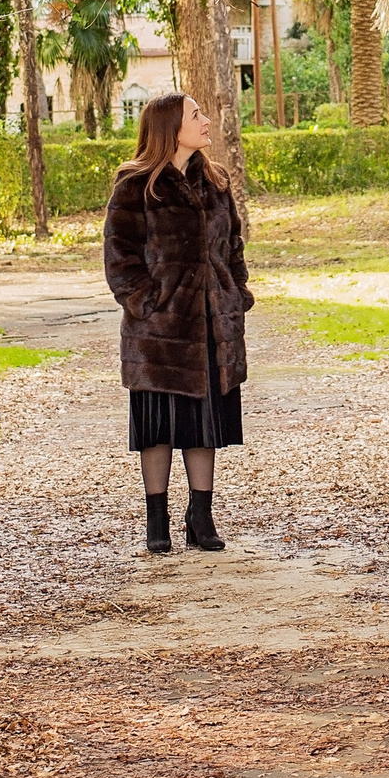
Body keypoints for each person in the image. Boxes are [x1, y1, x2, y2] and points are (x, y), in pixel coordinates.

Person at [102, 92, 252, 554]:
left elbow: (233, 246)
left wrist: (236, 293)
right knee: (159, 426)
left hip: (211, 324)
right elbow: (119, 258)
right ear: (171, 127)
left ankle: (200, 517)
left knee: (203, 424)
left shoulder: (215, 182)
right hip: (158, 336)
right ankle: (157, 519)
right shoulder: (136, 185)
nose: (205, 121)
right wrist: (146, 303)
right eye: (196, 114)